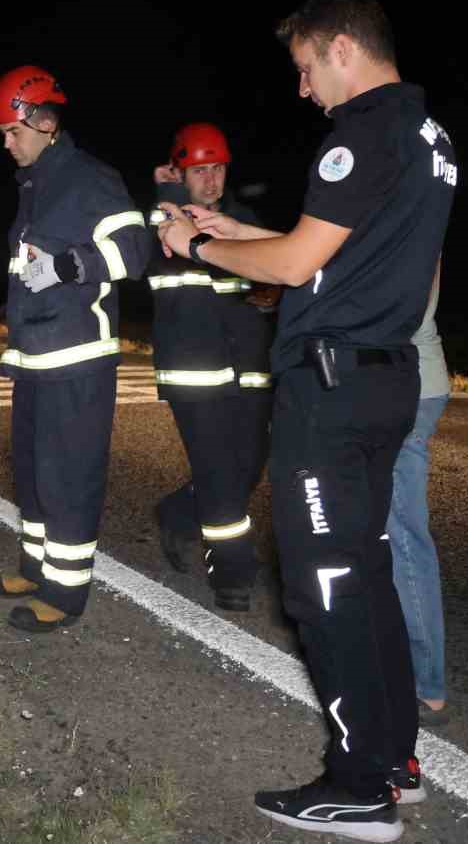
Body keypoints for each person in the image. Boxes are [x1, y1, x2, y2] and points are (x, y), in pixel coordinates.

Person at [155, 0, 456, 841]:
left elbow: (294, 265)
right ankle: (396, 763)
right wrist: (241, 233)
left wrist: (199, 242)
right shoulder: (430, 139)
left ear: (339, 49)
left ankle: (359, 790)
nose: (301, 89)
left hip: (331, 393)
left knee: (325, 588)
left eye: (303, 68)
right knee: (365, 577)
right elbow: (340, 253)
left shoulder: (360, 133)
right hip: (387, 375)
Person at [0, 65, 153, 632]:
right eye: (4, 134)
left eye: (13, 131)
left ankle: (66, 593)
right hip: (34, 359)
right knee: (32, 474)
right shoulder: (35, 186)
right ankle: (36, 567)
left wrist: (70, 266)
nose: (7, 144)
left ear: (44, 121)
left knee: (68, 476)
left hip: (77, 361)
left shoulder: (88, 178)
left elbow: (135, 248)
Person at [145, 123, 278, 611]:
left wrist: (267, 296)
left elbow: (265, 276)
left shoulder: (240, 220)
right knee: (220, 470)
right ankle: (232, 573)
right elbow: (147, 250)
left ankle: (178, 514)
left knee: (248, 467)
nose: (212, 179)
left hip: (250, 369)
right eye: (200, 170)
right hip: (194, 375)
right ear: (181, 172)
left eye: (218, 168)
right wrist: (167, 197)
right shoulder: (160, 219)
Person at [390, 266, 450, 733]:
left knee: (404, 534)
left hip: (403, 383)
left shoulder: (401, 200)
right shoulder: (421, 197)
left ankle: (426, 682)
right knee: (386, 528)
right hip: (412, 378)